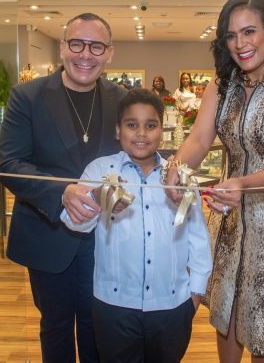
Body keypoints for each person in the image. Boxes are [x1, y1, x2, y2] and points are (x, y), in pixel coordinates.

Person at [165, 0, 264, 361]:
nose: (240, 44)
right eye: (231, 36)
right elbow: (199, 140)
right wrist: (177, 168)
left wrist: (242, 183)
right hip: (231, 217)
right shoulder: (222, 85)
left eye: (249, 31)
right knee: (228, 310)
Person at [0, 13, 127, 362]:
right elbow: (9, 165)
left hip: (105, 237)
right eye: (77, 44)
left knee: (97, 325)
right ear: (62, 48)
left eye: (96, 46)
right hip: (48, 230)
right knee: (55, 326)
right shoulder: (27, 96)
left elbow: (134, 159)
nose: (85, 54)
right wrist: (61, 193)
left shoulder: (122, 99)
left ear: (109, 52)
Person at [60, 89, 212, 363]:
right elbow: (73, 222)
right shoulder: (99, 170)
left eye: (150, 125)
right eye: (132, 125)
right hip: (114, 307)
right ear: (118, 130)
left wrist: (195, 295)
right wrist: (97, 198)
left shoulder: (179, 177)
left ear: (161, 131)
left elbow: (198, 239)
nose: (141, 133)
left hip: (172, 305)